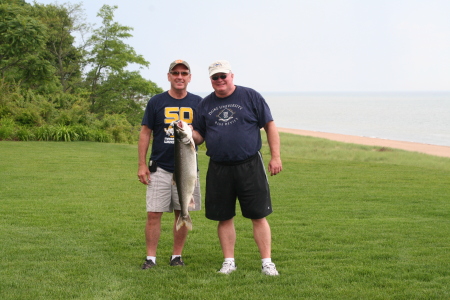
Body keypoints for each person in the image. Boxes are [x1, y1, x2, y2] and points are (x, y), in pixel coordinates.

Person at [192, 60, 282, 276]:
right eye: (215, 77)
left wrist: (275, 157)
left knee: (258, 215)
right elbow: (199, 137)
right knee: (224, 217)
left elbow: (269, 125)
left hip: (250, 164)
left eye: (223, 75)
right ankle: (228, 262)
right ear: (211, 81)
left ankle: (267, 263)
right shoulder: (205, 104)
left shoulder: (250, 96)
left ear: (232, 76)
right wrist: (186, 132)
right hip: (219, 167)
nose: (220, 80)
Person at [137, 60, 202, 269]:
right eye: (175, 73)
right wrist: (141, 164)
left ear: (189, 77)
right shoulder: (156, 102)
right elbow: (145, 133)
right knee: (153, 213)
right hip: (160, 167)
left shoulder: (199, 103)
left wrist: (191, 134)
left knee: (182, 211)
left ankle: (177, 256)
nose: (179, 77)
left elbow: (201, 138)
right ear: (169, 76)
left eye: (184, 73)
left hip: (188, 170)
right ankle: (150, 258)